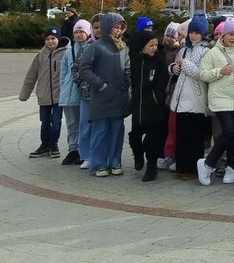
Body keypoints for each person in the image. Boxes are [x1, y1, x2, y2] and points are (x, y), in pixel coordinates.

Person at [197, 17, 234, 186]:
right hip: (220, 99)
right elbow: (203, 74)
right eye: (230, 34)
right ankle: (208, 163)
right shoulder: (212, 53)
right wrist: (219, 71)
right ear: (223, 35)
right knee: (228, 132)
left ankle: (231, 167)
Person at [76, 13, 131, 177]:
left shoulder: (123, 47)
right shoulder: (96, 46)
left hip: (118, 97)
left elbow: (127, 68)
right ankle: (99, 164)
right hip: (101, 97)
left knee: (117, 131)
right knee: (100, 131)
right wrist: (99, 84)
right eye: (115, 27)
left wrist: (126, 84)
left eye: (121, 27)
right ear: (108, 27)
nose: (118, 30)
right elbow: (84, 68)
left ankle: (115, 162)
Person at [169, 13, 209, 181]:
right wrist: (173, 68)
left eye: (197, 33)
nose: (193, 36)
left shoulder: (206, 52)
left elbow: (201, 74)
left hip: (196, 100)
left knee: (195, 137)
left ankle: (192, 169)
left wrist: (184, 64)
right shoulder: (183, 50)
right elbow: (175, 65)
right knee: (182, 135)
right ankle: (181, 166)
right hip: (181, 99)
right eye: (191, 32)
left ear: (203, 34)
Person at [19, 26, 68, 158]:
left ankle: (54, 145)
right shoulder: (41, 55)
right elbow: (31, 75)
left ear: (58, 39)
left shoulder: (66, 54)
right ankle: (45, 145)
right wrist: (24, 94)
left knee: (56, 122)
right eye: (47, 39)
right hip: (44, 95)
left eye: (53, 38)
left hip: (59, 96)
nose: (50, 41)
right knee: (45, 122)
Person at [129, 31, 169, 182]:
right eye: (150, 45)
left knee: (152, 140)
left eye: (156, 45)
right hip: (138, 106)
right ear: (142, 46)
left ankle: (151, 167)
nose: (154, 48)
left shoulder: (159, 61)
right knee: (134, 136)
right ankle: (138, 155)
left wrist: (156, 98)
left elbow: (162, 83)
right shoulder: (135, 61)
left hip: (154, 107)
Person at [58, 19, 91, 166]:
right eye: (76, 32)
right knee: (71, 123)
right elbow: (63, 72)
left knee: (83, 123)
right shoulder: (68, 51)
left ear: (88, 33)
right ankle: (73, 149)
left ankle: (83, 150)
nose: (78, 34)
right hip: (68, 93)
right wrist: (63, 88)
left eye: (81, 32)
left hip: (82, 93)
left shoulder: (91, 49)